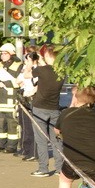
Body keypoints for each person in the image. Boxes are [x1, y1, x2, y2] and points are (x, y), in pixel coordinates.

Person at [28, 45, 64, 177]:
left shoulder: (41, 70)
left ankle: (43, 168)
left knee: (41, 139)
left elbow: (27, 74)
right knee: (56, 140)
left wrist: (32, 62)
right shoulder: (62, 72)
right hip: (54, 108)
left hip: (39, 108)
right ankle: (59, 168)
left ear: (48, 56)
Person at [0, 43, 23, 153]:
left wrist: (6, 83)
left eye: (4, 53)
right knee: (0, 124)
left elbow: (20, 82)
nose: (2, 55)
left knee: (12, 125)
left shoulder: (19, 65)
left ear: (11, 54)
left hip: (12, 100)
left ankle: (12, 146)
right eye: (1, 53)